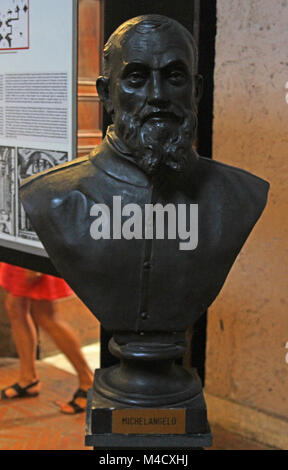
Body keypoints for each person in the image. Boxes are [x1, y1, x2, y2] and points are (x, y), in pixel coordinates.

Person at [19, 15, 269, 335]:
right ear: (107, 94)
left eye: (174, 77)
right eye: (136, 78)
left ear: (197, 90)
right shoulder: (50, 197)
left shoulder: (240, 195)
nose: (157, 95)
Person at [0, 263, 93, 414]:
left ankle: (87, 380)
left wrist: (33, 263)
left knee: (46, 316)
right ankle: (28, 378)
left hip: (33, 248)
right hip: (20, 244)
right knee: (15, 305)